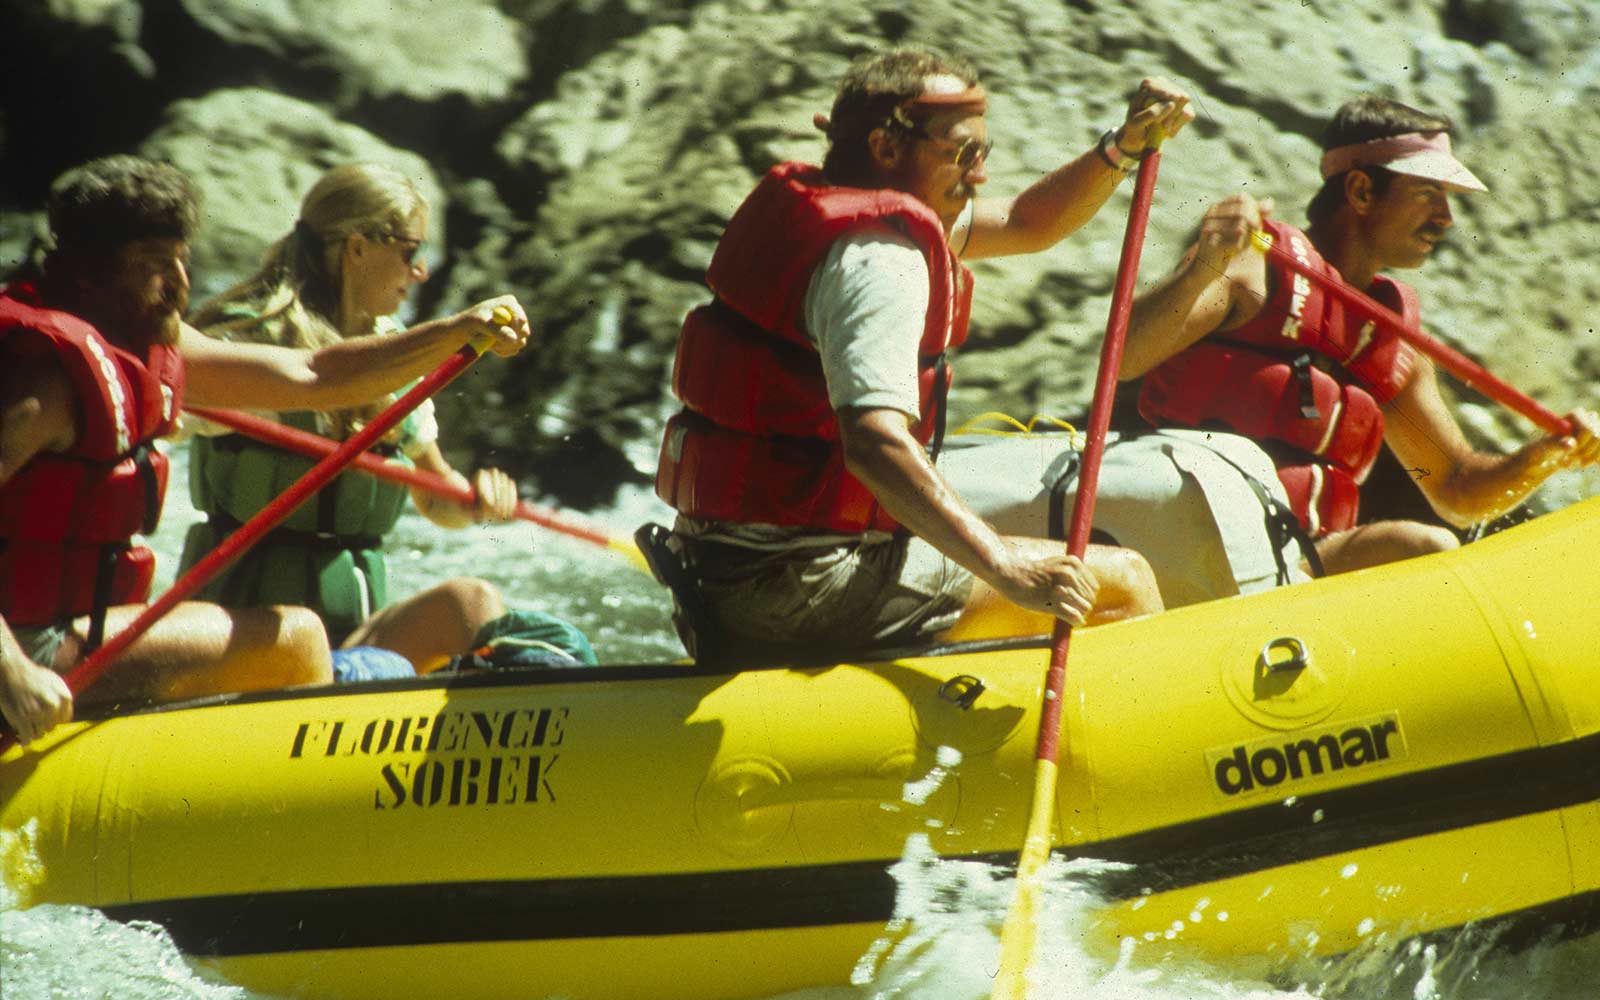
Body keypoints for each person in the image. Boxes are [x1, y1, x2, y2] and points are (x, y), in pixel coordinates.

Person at [650, 47, 1193, 663]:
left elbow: (1023, 222)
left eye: (982, 154)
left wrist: (1120, 150)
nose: (980, 174)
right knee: (1121, 582)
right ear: (885, 147)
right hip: (798, 587)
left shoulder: (827, 207)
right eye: (964, 153)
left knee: (1003, 539)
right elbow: (874, 444)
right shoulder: (881, 259)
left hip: (716, 577)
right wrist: (1008, 568)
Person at [0, 155, 530, 745]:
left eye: (183, 260)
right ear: (87, 274)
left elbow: (315, 373)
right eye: (154, 266)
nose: (180, 285)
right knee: (298, 637)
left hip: (75, 634)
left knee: (469, 605)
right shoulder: (39, 385)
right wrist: (12, 672)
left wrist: (458, 331)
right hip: (28, 652)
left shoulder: (150, 349)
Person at [1121, 95, 1600, 575]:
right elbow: (1119, 360)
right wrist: (1205, 268)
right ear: (1361, 191)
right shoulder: (1252, 266)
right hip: (1181, 535)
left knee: (1425, 548)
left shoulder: (1391, 342)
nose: (1446, 218)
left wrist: (1546, 456)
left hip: (1289, 558)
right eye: (1428, 193)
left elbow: (1456, 488)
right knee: (1423, 547)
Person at [181, 163, 520, 674]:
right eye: (411, 251)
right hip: (242, 640)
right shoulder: (246, 342)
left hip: (346, 639)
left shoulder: (397, 357)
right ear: (358, 248)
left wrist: (474, 503)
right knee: (303, 642)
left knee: (472, 604)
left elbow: (433, 495)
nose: (421, 271)